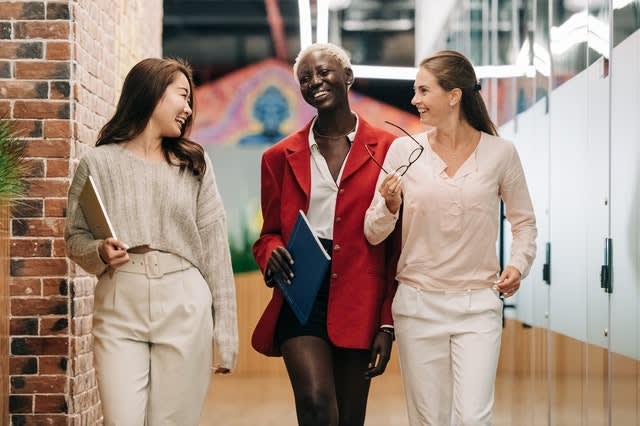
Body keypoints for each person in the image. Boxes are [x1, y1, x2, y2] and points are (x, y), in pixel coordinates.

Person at [364, 50, 537, 426]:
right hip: (417, 306)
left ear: (454, 95)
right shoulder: (404, 151)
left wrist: (518, 265)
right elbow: (373, 232)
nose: (414, 100)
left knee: (474, 418)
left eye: (423, 90)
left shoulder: (500, 153)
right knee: (429, 420)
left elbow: (524, 223)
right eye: (415, 91)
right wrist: (389, 206)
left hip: (478, 307)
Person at [64, 58, 238, 426]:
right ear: (153, 94)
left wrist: (225, 332)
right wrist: (98, 250)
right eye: (182, 96)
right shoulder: (97, 163)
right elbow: (74, 237)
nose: (189, 108)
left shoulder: (194, 164)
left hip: (184, 300)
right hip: (118, 302)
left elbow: (216, 250)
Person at [251, 43, 400, 426]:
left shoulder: (388, 149)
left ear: (348, 77)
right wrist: (272, 252)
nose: (314, 81)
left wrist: (387, 322)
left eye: (324, 72)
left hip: (360, 296)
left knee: (349, 418)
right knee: (317, 405)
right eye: (305, 78)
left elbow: (397, 245)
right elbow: (267, 234)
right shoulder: (277, 157)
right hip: (301, 292)